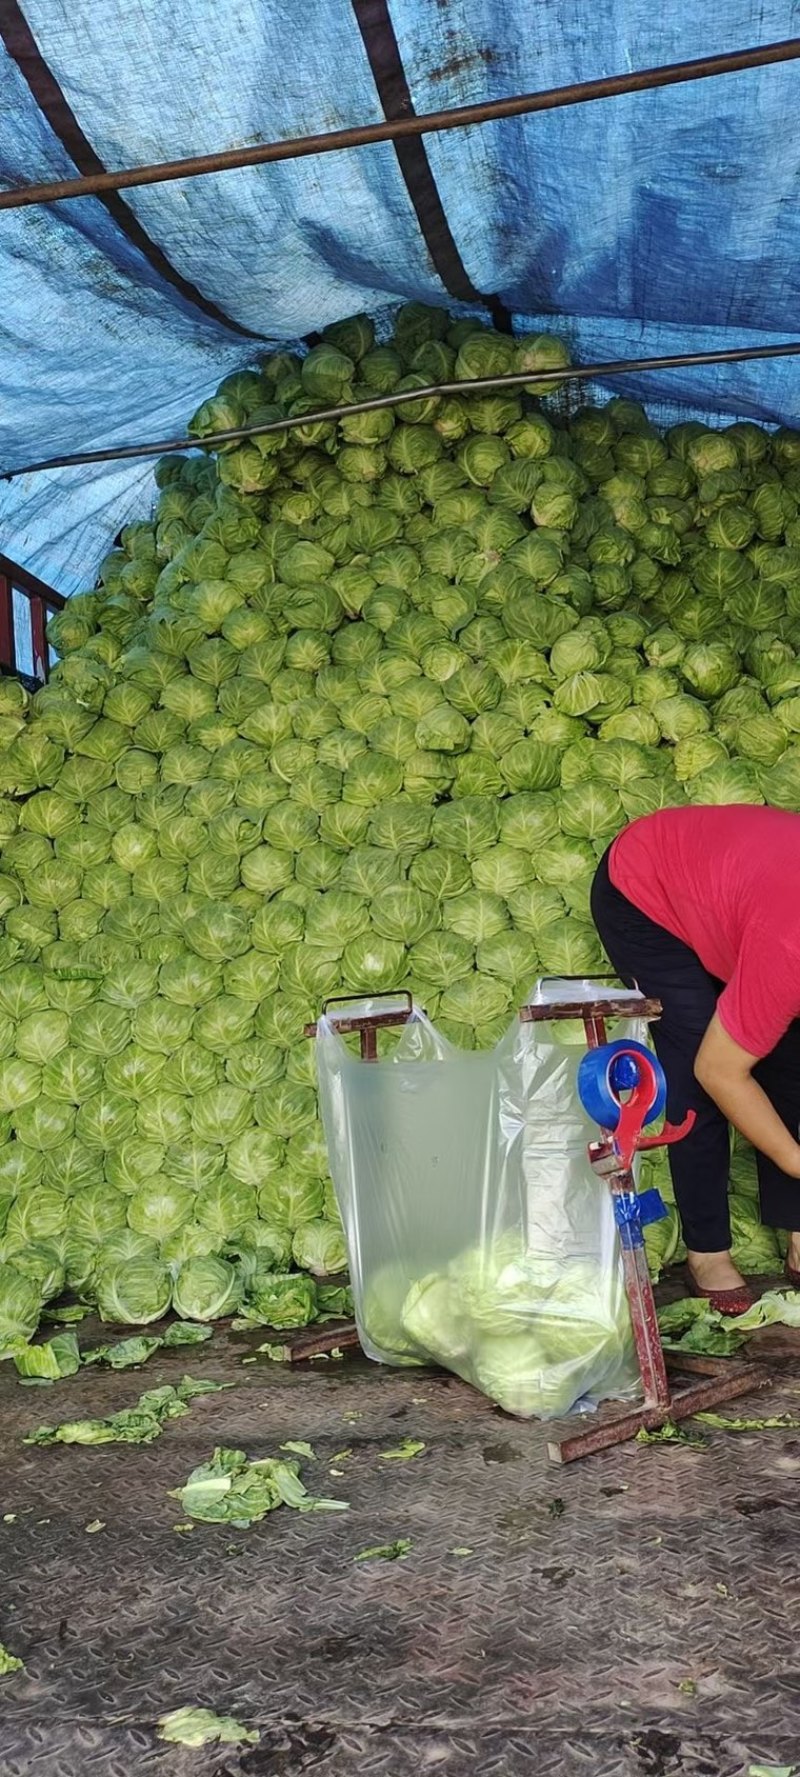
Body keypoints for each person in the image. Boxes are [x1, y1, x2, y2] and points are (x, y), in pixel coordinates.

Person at [590, 804, 800, 1314]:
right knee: (697, 1062)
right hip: (647, 889)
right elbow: (719, 1070)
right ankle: (707, 1253)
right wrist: (796, 1160)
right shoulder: (789, 948)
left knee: (790, 1056)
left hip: (736, 888)